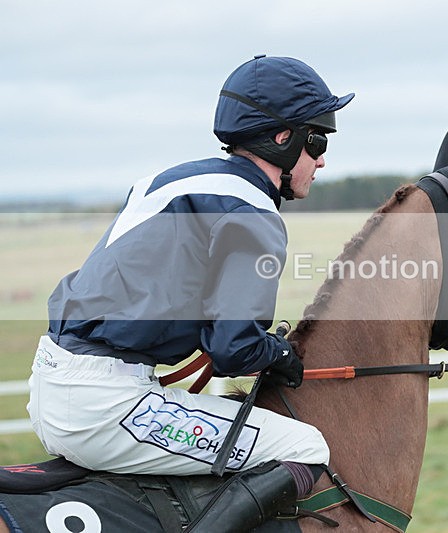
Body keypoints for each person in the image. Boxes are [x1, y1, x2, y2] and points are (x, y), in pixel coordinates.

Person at [27, 55, 354, 530]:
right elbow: (234, 349)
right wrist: (279, 353)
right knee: (304, 447)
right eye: (317, 140)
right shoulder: (253, 211)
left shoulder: (174, 180)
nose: (321, 159)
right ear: (283, 139)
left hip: (57, 384)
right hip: (104, 403)